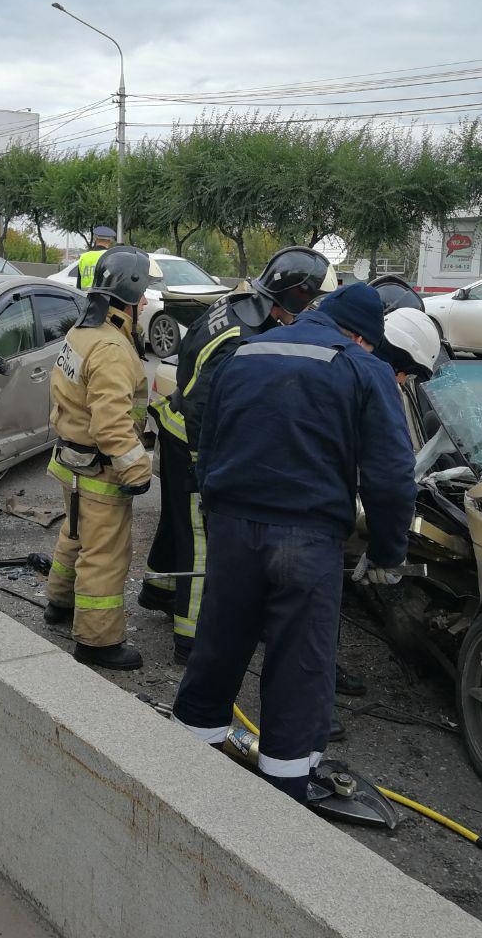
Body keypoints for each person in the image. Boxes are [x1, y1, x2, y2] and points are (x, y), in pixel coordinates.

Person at [171, 282, 416, 807]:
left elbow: (208, 442)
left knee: (218, 647)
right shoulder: (363, 368)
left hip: (233, 526)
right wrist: (388, 553)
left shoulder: (245, 352)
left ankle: (185, 778)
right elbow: (392, 477)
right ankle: (281, 799)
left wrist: (218, 511)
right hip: (307, 539)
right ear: (362, 336)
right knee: (298, 666)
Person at [143, 247, 335, 665]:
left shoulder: (235, 306)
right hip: (191, 439)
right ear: (295, 296)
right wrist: (205, 463)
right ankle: (190, 638)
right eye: (309, 301)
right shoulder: (244, 336)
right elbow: (203, 403)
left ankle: (158, 590)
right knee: (198, 536)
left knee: (177, 519)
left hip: (176, 425)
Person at [44, 246, 154, 671]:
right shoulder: (111, 348)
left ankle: (59, 603)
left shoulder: (81, 333)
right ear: (127, 295)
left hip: (71, 463)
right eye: (142, 293)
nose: (145, 301)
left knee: (74, 535)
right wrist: (137, 468)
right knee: (105, 554)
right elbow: (111, 423)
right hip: (101, 471)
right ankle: (97, 641)